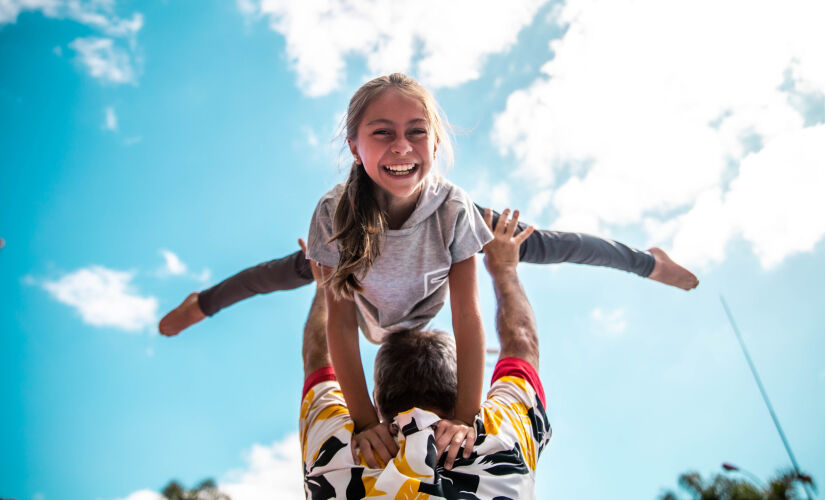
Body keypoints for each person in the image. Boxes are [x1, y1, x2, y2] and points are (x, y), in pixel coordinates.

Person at [300, 208, 550, 498]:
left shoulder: (341, 451)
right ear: (463, 389)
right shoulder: (501, 442)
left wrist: (325, 284)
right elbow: (522, 342)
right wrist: (504, 267)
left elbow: (317, 358)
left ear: (377, 403)